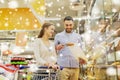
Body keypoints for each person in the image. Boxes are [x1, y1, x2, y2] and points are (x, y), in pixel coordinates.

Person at [54, 16, 83, 80]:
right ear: (63, 24)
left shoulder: (78, 36)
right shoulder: (58, 36)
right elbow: (53, 52)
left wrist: (82, 59)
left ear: (73, 24)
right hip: (63, 67)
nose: (68, 27)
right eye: (66, 25)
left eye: (70, 25)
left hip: (75, 66)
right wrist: (56, 48)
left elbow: (81, 50)